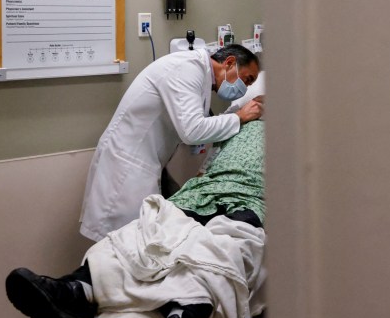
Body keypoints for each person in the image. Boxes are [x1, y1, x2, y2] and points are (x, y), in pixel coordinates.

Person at [6, 118, 266, 318]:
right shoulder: (239, 124)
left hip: (251, 203)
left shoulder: (292, 134)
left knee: (221, 248)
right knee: (138, 235)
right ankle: (75, 291)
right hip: (198, 194)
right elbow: (206, 165)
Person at [79, 44, 262, 242]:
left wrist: (234, 117)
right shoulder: (186, 69)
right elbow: (192, 131)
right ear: (230, 63)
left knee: (133, 244)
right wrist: (239, 117)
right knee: (123, 245)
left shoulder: (198, 75)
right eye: (247, 79)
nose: (245, 89)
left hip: (144, 163)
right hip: (127, 167)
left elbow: (197, 126)